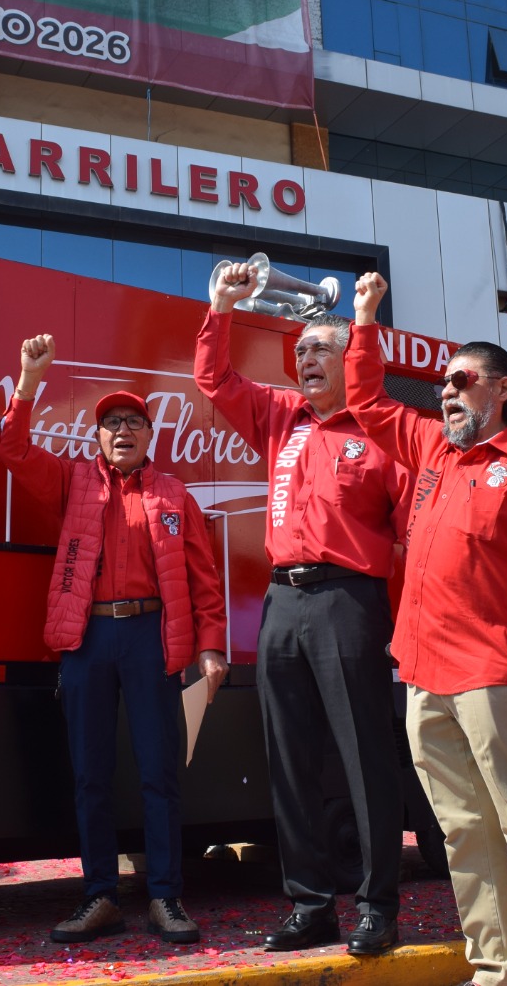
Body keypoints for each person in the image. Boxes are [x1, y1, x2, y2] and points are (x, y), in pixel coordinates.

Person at [348, 271, 507, 986]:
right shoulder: (431, 447)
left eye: (461, 380)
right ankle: (498, 967)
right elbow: (365, 400)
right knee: (461, 831)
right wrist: (366, 320)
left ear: (502, 391)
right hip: (425, 677)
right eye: (443, 383)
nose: (446, 392)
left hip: (498, 673)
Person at [194, 266, 407, 955]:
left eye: (320, 349)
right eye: (301, 351)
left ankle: (377, 904)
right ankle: (311, 903)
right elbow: (215, 382)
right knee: (288, 760)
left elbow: (408, 541)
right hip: (283, 602)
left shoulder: (385, 436)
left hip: (352, 600)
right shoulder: (282, 417)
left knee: (365, 758)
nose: (305, 358)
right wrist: (219, 309)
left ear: (353, 360)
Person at [0, 335, 229, 944]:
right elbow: (12, 448)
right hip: (89, 637)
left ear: (150, 436)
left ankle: (165, 898)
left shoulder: (173, 495)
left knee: (158, 773)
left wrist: (211, 645)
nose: (122, 430)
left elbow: (204, 576)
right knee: (90, 774)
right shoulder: (74, 483)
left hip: (152, 637)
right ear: (98, 437)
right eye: (112, 423)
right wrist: (27, 378)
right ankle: (99, 896)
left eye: (134, 422)